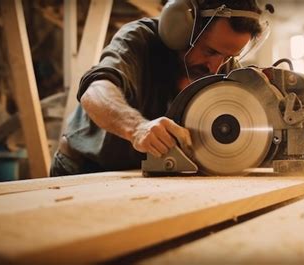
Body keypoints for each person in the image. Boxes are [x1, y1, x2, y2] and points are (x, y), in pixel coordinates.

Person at [50, 0, 264, 176]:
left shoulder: (223, 66)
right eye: (209, 51)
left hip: (139, 174)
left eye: (228, 57)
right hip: (84, 169)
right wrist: (137, 128)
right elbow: (95, 92)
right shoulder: (139, 39)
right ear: (181, 29)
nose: (216, 66)